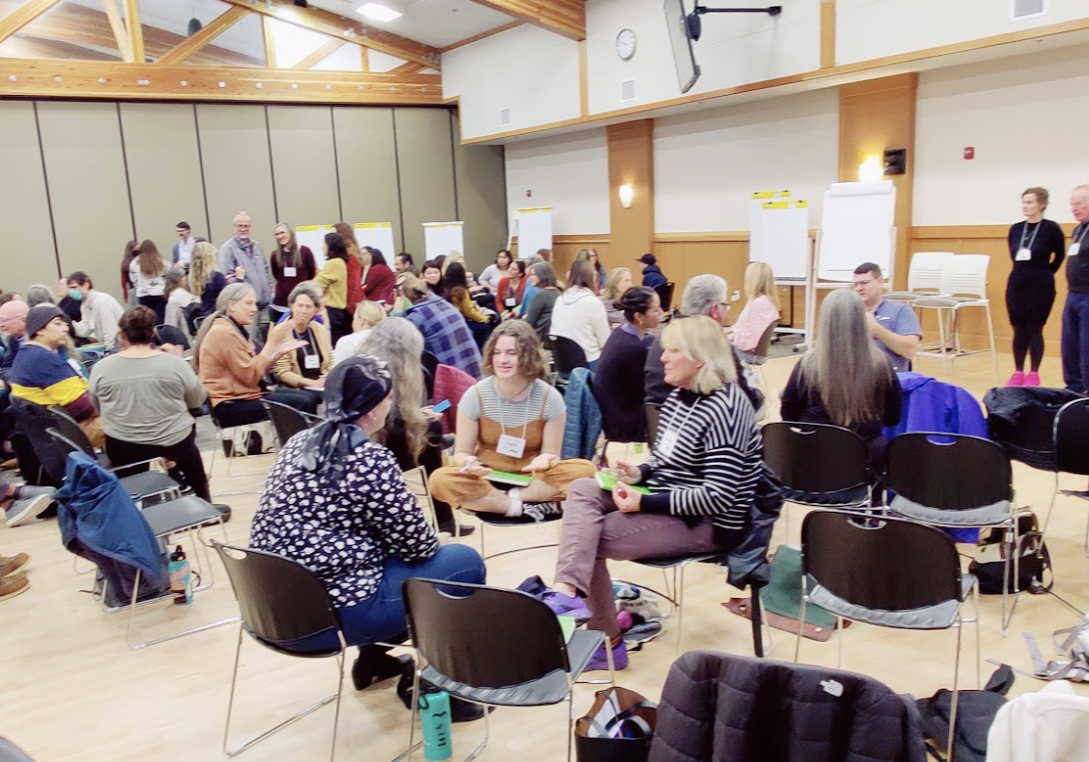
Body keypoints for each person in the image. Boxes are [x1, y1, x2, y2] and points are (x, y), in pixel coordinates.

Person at [248, 356, 487, 698]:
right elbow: (420, 547)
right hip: (333, 614)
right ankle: (440, 687)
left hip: (272, 606)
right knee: (464, 562)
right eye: (388, 399)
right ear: (374, 410)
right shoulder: (369, 460)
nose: (391, 406)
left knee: (379, 556)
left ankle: (374, 662)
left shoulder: (297, 444)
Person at [542, 316, 762, 670]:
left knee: (591, 538)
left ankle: (605, 642)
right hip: (668, 496)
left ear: (700, 358)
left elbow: (718, 496)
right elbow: (665, 456)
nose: (662, 358)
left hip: (707, 521)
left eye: (673, 350)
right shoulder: (680, 395)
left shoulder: (727, 408)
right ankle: (567, 592)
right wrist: (638, 471)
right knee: (583, 488)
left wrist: (644, 500)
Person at [429, 321, 596, 520]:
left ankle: (506, 500)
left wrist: (546, 460)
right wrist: (469, 462)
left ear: (528, 356)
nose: (502, 359)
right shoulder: (475, 395)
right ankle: (520, 509)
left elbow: (552, 454)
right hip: (486, 478)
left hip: (533, 479)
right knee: (439, 479)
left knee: (586, 470)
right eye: (497, 352)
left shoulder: (550, 398)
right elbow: (462, 452)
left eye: (512, 353)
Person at [357, 318, 470, 536]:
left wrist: (418, 415)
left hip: (365, 446)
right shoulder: (404, 372)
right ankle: (444, 519)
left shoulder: (362, 364)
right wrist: (421, 417)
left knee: (431, 432)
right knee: (433, 433)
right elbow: (390, 420)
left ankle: (443, 520)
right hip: (384, 448)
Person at [89, 307, 211, 501]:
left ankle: (143, 502)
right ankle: (203, 498)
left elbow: (97, 406)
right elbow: (197, 400)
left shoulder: (101, 368)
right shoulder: (174, 364)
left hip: (124, 448)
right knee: (187, 444)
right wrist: (178, 361)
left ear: (121, 335)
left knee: (137, 449)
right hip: (174, 443)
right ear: (153, 334)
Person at [781, 288, 902, 473]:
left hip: (814, 469)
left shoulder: (806, 366)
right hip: (865, 469)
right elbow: (893, 417)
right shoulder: (882, 365)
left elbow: (789, 417)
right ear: (862, 322)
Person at [193, 283, 316, 427]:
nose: (254, 309)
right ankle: (297, 446)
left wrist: (275, 355)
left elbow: (252, 372)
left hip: (242, 397)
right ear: (231, 305)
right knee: (303, 402)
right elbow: (250, 376)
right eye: (249, 303)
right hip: (231, 406)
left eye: (254, 304)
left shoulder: (232, 328)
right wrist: (272, 343)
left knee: (307, 396)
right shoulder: (224, 332)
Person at [644, 274, 763, 415]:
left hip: (657, 423)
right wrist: (758, 392)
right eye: (725, 306)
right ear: (715, 310)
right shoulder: (713, 344)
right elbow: (747, 399)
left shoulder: (663, 336)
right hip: (697, 422)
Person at [9, 304, 104, 447]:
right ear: (39, 329)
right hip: (74, 433)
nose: (65, 328)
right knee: (134, 419)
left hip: (56, 435)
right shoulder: (43, 359)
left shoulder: (26, 355)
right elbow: (82, 407)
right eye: (58, 324)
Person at [1005, 188, 1066, 387]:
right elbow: (1014, 254)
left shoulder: (1051, 228)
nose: (1026, 206)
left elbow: (1060, 255)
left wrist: (1046, 273)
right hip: (1017, 284)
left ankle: (1033, 372)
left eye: (1030, 202)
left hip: (1041, 285)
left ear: (1041, 204)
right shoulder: (1015, 229)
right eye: (1024, 202)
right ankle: (1018, 371)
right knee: (1018, 329)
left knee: (1034, 329)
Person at [594, 287, 663, 443]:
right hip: (622, 423)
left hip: (614, 412)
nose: (661, 312)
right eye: (656, 310)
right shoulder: (632, 348)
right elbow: (644, 392)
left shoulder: (620, 333)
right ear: (639, 316)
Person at [398, 273, 482, 378]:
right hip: (475, 373)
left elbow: (399, 345)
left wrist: (399, 310)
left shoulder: (418, 317)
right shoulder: (443, 303)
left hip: (452, 381)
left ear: (406, 297)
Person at [851, 262, 922, 372]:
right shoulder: (849, 313)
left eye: (864, 283)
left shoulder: (900, 310)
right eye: (855, 285)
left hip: (891, 380)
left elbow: (910, 350)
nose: (859, 288)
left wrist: (876, 329)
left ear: (880, 282)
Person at [218, 211, 273, 340]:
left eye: (246, 226)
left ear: (250, 227)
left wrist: (270, 285)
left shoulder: (257, 246)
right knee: (249, 340)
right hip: (246, 306)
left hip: (264, 304)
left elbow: (265, 268)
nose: (243, 229)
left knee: (266, 339)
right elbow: (227, 277)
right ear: (234, 227)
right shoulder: (227, 249)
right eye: (240, 226)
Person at [272, 282, 333, 389]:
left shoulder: (320, 329)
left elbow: (330, 360)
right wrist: (309, 383)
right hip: (298, 385)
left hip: (322, 380)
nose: (303, 311)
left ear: (315, 310)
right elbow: (282, 372)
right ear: (291, 306)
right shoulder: (281, 331)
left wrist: (333, 377)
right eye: (300, 306)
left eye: (309, 307)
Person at [549, 260, 611, 366]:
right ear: (592, 278)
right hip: (589, 364)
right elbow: (606, 343)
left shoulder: (560, 299)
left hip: (562, 364)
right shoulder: (593, 303)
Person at [1062, 185, 1089, 394]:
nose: (1074, 208)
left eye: (1079, 203)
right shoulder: (1078, 229)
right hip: (1073, 294)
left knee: (1086, 346)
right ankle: (1074, 388)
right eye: (1072, 203)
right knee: (1070, 345)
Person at [730, 262, 781, 356]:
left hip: (745, 352)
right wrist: (730, 330)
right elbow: (745, 326)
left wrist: (732, 337)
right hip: (746, 350)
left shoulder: (759, 304)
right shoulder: (764, 301)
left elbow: (749, 342)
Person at [270, 223, 317, 318]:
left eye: (282, 232)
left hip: (300, 303)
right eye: (277, 234)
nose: (280, 236)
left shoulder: (305, 252)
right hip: (281, 304)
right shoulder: (275, 255)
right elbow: (277, 275)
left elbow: (311, 274)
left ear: (290, 233)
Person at [67, 271, 124, 350]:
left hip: (119, 346)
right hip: (106, 344)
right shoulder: (85, 305)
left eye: (74, 287)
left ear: (86, 285)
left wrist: (109, 352)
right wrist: (69, 325)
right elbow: (86, 330)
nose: (71, 292)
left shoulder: (102, 301)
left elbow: (110, 332)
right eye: (69, 288)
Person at [314, 232, 352, 345]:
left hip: (331, 310)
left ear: (331, 246)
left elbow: (317, 284)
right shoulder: (340, 262)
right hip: (337, 311)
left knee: (330, 344)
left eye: (324, 245)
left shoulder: (334, 263)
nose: (322, 247)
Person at [442, 262, 493, 347]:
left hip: (447, 321)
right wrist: (485, 319)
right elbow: (470, 312)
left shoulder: (443, 289)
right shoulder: (461, 291)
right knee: (484, 327)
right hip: (459, 322)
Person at [334, 300, 386, 366]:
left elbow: (338, 374)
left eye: (354, 319)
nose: (352, 323)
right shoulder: (389, 341)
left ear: (361, 320)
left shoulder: (345, 342)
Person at [129, 239, 168, 325]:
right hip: (159, 293)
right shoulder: (162, 261)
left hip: (143, 294)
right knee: (160, 319)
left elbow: (133, 280)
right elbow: (169, 275)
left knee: (146, 320)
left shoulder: (134, 263)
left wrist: (139, 286)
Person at [524, 262, 560, 344]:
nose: (530, 278)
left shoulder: (541, 296)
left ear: (542, 275)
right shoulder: (558, 292)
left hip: (539, 341)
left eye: (532, 274)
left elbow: (528, 324)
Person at [189, 241, 228, 318]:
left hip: (206, 316)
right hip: (218, 317)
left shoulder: (196, 278)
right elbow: (232, 297)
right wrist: (239, 280)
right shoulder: (217, 277)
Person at [163, 268, 200, 340]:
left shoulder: (174, 292)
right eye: (183, 276)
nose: (186, 278)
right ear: (177, 279)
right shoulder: (178, 293)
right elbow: (194, 306)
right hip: (186, 330)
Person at [0, 300, 28, 381]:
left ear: (23, 320)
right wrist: (15, 381)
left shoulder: (41, 337)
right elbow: (6, 367)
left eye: (4, 320)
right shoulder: (13, 339)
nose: (1, 324)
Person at [120, 240, 139, 306]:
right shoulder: (138, 261)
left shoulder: (125, 263)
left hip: (131, 290)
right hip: (140, 289)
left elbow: (123, 282)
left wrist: (126, 296)